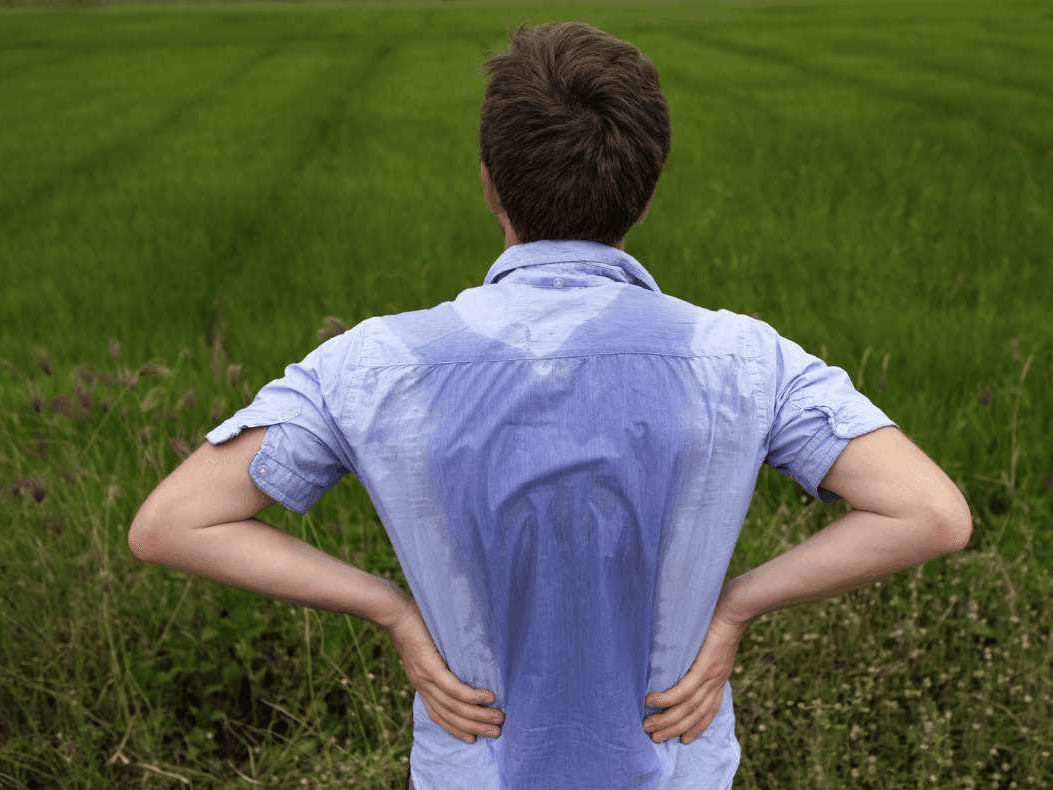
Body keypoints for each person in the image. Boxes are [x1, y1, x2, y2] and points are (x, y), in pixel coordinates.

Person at [130, 20, 972, 790]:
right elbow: (930, 513)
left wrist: (389, 609)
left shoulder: (371, 363)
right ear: (644, 195)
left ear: (490, 184)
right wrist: (733, 608)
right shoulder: (743, 358)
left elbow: (170, 524)